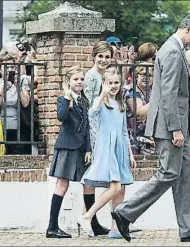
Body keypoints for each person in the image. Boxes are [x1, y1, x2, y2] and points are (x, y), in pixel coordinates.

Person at [111, 13, 190, 243]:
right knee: (168, 173)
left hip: (178, 125)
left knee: (186, 176)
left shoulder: (173, 49)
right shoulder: (171, 51)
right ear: (189, 29)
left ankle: (189, 228)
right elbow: (168, 94)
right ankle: (125, 212)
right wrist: (175, 129)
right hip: (171, 127)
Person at [78, 68, 136, 238]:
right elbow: (92, 113)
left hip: (120, 149)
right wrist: (102, 94)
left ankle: (115, 228)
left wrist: (130, 153)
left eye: (116, 82)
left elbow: (124, 131)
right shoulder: (101, 102)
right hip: (107, 147)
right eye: (109, 83)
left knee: (121, 189)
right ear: (104, 83)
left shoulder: (121, 104)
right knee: (115, 186)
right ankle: (87, 216)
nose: (113, 86)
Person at [46, 66, 92, 238]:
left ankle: (91, 223)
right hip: (66, 147)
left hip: (81, 149)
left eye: (81, 79)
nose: (79, 82)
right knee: (62, 185)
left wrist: (88, 149)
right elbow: (62, 117)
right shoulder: (63, 99)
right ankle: (52, 227)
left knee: (89, 183)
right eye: (75, 79)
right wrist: (66, 96)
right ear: (68, 82)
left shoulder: (84, 101)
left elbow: (87, 127)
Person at [81, 41, 113, 236]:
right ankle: (91, 221)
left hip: (103, 127)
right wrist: (93, 139)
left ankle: (90, 219)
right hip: (93, 131)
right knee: (90, 178)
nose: (103, 60)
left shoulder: (105, 76)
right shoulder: (92, 77)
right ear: (94, 56)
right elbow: (90, 108)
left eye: (107, 57)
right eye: (100, 56)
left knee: (93, 177)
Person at [125, 64, 155, 155]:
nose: (146, 78)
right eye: (143, 74)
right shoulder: (130, 91)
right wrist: (157, 99)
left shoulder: (152, 91)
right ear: (136, 76)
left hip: (149, 138)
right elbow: (140, 114)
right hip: (133, 139)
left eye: (149, 75)